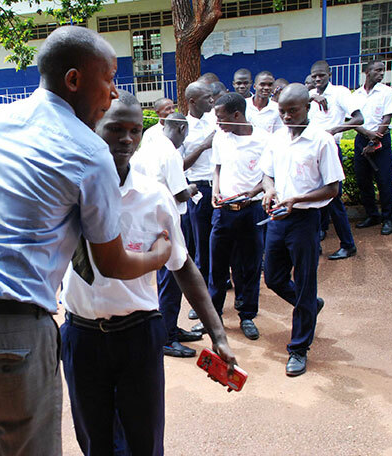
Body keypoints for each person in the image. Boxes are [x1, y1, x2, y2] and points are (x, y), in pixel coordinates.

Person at [0, 26, 172, 456]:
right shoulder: (90, 153)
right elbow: (111, 264)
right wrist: (160, 254)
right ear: (73, 80)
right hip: (10, 330)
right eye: (108, 79)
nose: (112, 94)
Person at [60, 91, 236, 456]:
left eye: (135, 130)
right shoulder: (67, 194)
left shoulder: (154, 197)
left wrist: (218, 335)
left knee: (145, 441)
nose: (126, 139)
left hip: (138, 335)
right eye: (115, 128)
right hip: (82, 336)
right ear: (95, 127)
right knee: (95, 441)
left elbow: (183, 266)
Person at [260, 83, 344, 376]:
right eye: (282, 111)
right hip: (278, 217)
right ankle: (309, 305)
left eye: (292, 111)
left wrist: (299, 199)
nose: (286, 117)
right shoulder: (276, 139)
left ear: (307, 107)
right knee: (272, 278)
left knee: (305, 281)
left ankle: (298, 349)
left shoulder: (321, 141)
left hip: (305, 220)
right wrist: (269, 190)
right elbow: (267, 173)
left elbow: (333, 188)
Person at [132, 111, 203, 357]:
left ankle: (170, 327)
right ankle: (167, 337)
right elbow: (180, 192)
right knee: (173, 279)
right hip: (167, 222)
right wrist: (193, 188)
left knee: (168, 280)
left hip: (151, 220)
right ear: (182, 129)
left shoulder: (151, 143)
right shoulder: (170, 152)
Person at [210, 92, 268, 341]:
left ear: (237, 115)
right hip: (223, 212)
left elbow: (269, 177)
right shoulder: (220, 138)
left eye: (221, 118)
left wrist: (252, 193)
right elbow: (217, 168)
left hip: (251, 211)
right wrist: (215, 192)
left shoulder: (264, 139)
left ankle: (246, 315)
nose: (218, 123)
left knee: (249, 266)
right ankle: (213, 317)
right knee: (217, 266)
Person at [308, 60, 363, 258]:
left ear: (329, 74)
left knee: (333, 198)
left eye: (321, 75)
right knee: (314, 195)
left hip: (330, 148)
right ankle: (317, 240)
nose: (317, 79)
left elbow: (359, 118)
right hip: (311, 151)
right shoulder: (311, 95)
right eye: (314, 76)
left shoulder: (340, 92)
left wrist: (334, 130)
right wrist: (313, 96)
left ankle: (347, 244)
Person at [352, 60, 392, 236]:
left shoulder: (387, 92)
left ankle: (387, 219)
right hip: (361, 140)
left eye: (382, 70)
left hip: (380, 141)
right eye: (377, 70)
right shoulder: (356, 95)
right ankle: (372, 215)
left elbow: (386, 120)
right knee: (363, 181)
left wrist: (373, 142)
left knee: (384, 181)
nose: (381, 73)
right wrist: (365, 135)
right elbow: (351, 120)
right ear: (367, 72)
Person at [181, 81, 215, 287]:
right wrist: (203, 146)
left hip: (221, 188)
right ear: (192, 101)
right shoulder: (182, 127)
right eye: (206, 98)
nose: (212, 100)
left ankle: (219, 283)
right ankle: (202, 293)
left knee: (220, 242)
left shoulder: (217, 121)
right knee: (200, 243)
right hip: (198, 189)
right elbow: (180, 165)